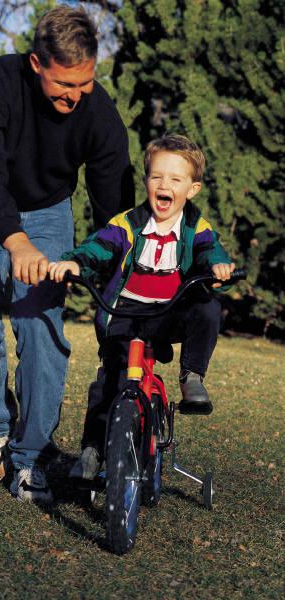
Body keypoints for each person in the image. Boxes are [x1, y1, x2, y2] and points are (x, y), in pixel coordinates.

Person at [0, 6, 135, 503]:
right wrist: (13, 239)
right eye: (62, 85)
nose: (74, 96)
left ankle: (30, 460)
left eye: (85, 83)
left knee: (40, 329)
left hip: (48, 213)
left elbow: (112, 189)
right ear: (36, 64)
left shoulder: (96, 108)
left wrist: (116, 260)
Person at [48, 134, 235, 480]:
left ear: (192, 189)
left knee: (208, 305)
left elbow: (211, 251)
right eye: (157, 177)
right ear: (147, 181)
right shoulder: (128, 224)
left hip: (171, 313)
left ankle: (191, 376)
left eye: (176, 179)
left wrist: (217, 267)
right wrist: (77, 263)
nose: (164, 185)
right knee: (110, 381)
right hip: (126, 312)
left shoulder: (197, 227)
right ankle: (91, 450)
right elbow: (99, 246)